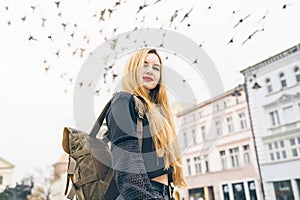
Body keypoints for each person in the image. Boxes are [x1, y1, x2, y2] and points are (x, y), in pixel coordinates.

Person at [105, 48, 187, 199]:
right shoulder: (123, 101)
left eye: (156, 68)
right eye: (144, 65)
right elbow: (126, 166)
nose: (150, 71)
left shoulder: (160, 114)